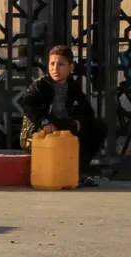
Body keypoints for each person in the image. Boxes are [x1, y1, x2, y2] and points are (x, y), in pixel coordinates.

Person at [15, 44, 107, 187]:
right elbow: (27, 105)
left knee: (98, 128)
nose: (55, 68)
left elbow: (87, 110)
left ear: (71, 67)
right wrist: (44, 122)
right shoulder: (41, 85)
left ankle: (76, 171)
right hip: (38, 131)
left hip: (62, 127)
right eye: (52, 64)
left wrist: (79, 122)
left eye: (60, 64)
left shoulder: (73, 86)